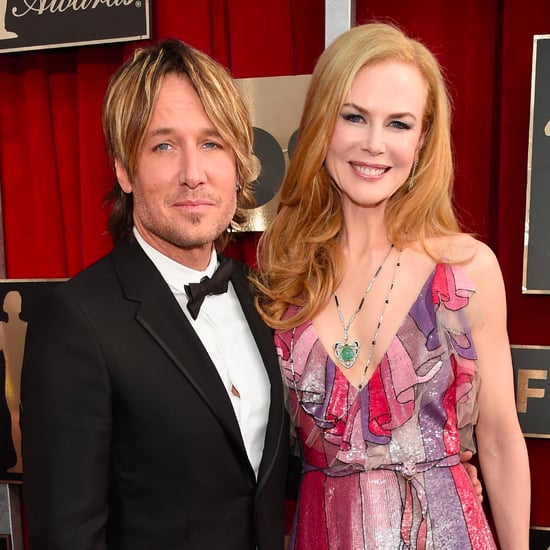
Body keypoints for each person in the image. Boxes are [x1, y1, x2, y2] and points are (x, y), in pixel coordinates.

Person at [253, 22, 530, 550]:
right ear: (320, 124)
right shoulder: (283, 279)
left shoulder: (467, 269)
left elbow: (498, 442)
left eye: (399, 124)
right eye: (354, 116)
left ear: (423, 139)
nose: (374, 144)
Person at [20, 39, 288, 550]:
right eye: (164, 145)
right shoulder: (77, 321)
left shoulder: (263, 299)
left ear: (238, 166)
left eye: (212, 144)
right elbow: (67, 535)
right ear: (124, 169)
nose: (193, 172)